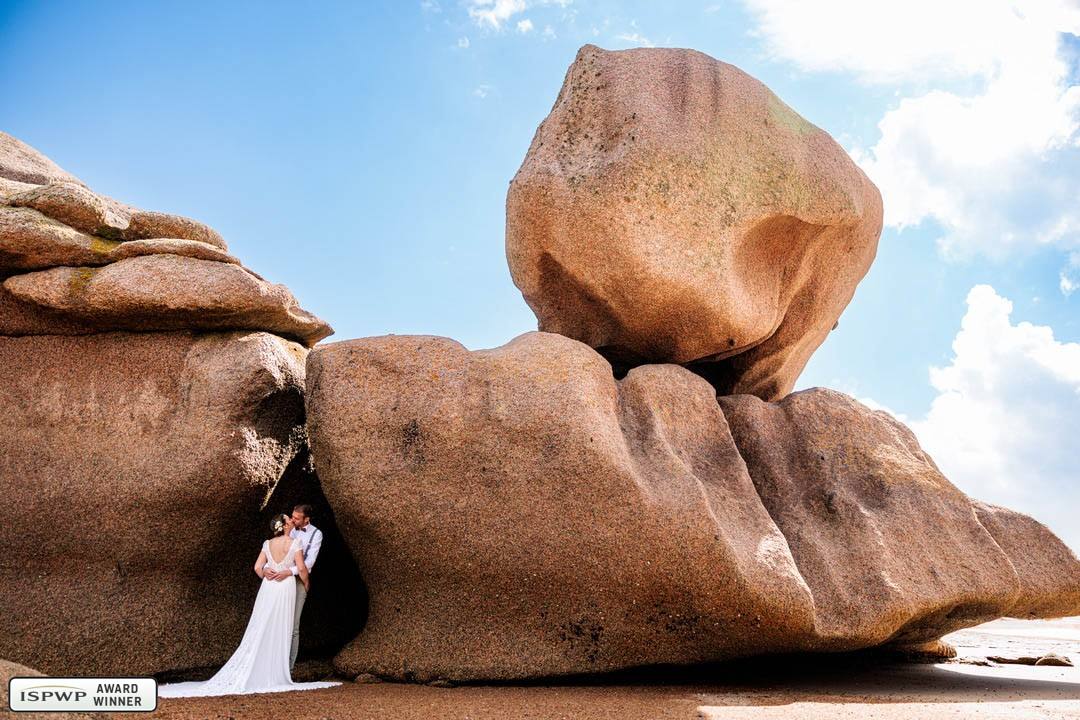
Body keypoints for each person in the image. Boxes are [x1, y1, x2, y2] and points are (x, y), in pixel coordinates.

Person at [157, 514, 340, 698]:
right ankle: (278, 669)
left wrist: (266, 572)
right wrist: (306, 583)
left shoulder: (267, 544)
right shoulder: (294, 543)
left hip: (268, 587)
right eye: (288, 519)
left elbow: (257, 568)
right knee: (281, 626)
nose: (292, 521)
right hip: (285, 586)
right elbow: (301, 568)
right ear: (284, 526)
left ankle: (261, 664)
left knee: (262, 624)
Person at [271, 503, 323, 670]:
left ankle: (289, 668)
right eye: (292, 517)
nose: (292, 520)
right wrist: (268, 570)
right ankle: (273, 663)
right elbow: (270, 551)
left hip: (298, 579)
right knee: (276, 620)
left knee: (293, 626)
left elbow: (308, 563)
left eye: (297, 518)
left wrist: (289, 571)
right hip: (280, 580)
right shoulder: (288, 528)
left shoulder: (316, 534)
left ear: (306, 519)